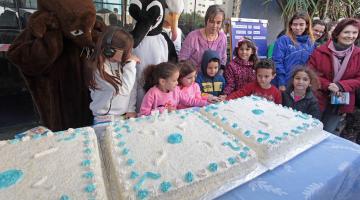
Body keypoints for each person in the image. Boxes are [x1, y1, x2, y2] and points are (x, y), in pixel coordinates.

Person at [308, 18, 360, 135]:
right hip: (318, 98)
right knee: (310, 131)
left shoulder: (358, 54)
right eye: (346, 32)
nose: (350, 36)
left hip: (340, 102)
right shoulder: (320, 51)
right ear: (338, 33)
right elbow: (310, 73)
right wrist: (328, 85)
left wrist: (341, 85)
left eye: (354, 33)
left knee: (328, 133)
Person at [86, 27, 140, 121]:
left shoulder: (124, 64)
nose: (128, 55)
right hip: (103, 119)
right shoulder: (97, 70)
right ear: (109, 50)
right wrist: (131, 63)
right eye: (125, 52)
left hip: (124, 117)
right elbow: (124, 89)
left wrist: (131, 109)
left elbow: (132, 87)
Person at [140, 62, 208, 116]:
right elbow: (144, 113)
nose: (177, 83)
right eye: (174, 80)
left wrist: (207, 103)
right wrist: (163, 110)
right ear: (162, 81)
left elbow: (189, 100)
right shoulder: (152, 93)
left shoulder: (176, 90)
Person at [272, 11, 315, 92]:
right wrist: (281, 83)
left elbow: (311, 65)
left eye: (301, 24)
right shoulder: (283, 40)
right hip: (284, 83)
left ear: (307, 25)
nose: (298, 27)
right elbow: (277, 62)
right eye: (295, 24)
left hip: (300, 84)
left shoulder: (311, 43)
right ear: (290, 25)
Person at [179, 4, 227, 70]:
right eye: (211, 21)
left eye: (218, 23)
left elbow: (223, 59)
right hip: (194, 76)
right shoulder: (193, 37)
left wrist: (218, 75)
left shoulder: (223, 37)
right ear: (206, 20)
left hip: (214, 77)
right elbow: (182, 60)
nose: (215, 26)